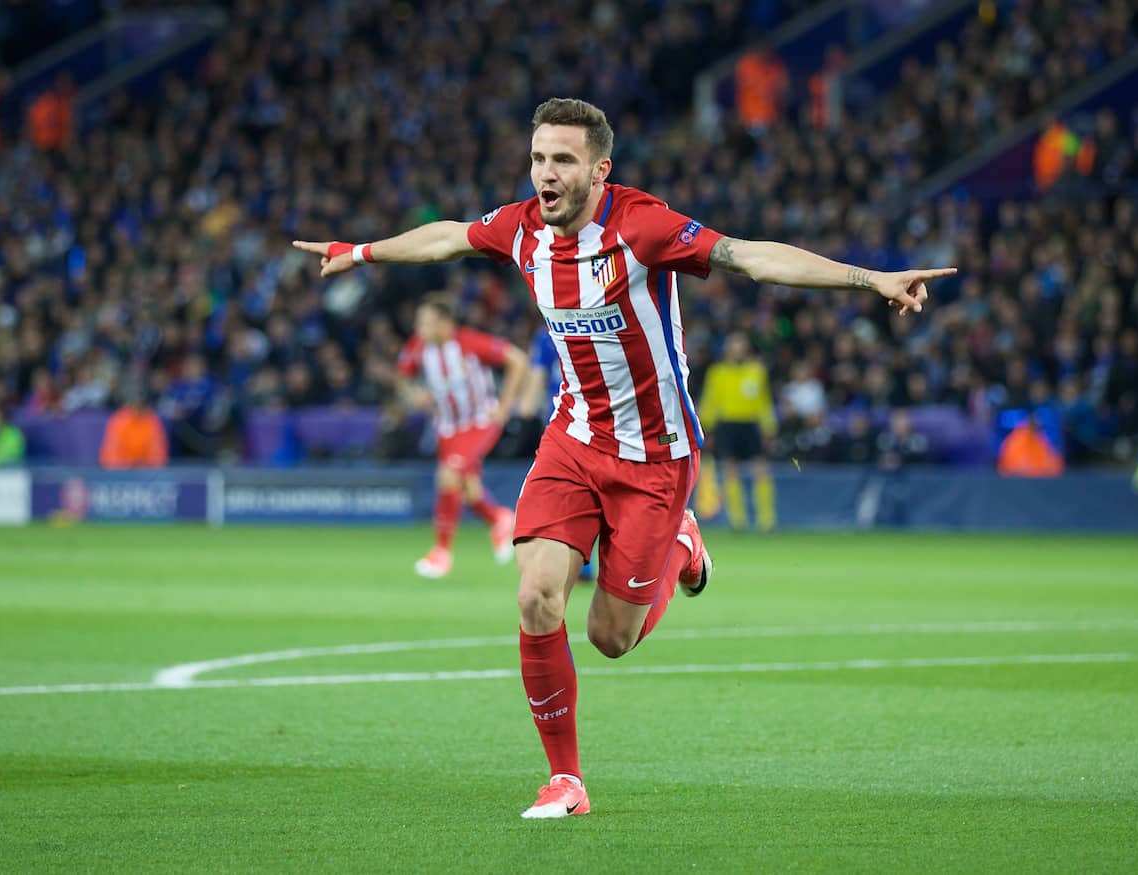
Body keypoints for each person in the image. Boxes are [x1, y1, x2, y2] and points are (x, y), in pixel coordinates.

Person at [294, 97, 954, 819]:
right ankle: (566, 780)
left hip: (656, 457)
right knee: (536, 594)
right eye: (539, 158)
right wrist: (358, 252)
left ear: (599, 170)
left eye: (563, 161)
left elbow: (752, 258)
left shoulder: (642, 226)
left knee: (611, 636)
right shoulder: (519, 230)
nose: (545, 174)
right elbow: (448, 237)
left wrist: (874, 278)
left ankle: (682, 541)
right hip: (572, 439)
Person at [396, 294, 528, 578]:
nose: (420, 328)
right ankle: (500, 518)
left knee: (448, 476)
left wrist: (505, 407)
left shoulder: (469, 342)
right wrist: (413, 395)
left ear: (445, 324)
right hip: (446, 426)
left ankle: (441, 553)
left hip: (479, 422)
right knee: (468, 490)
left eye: (427, 322)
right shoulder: (419, 348)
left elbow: (517, 360)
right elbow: (402, 377)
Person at [518, 327, 595, 580]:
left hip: (564, 422)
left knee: (572, 494)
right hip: (581, 421)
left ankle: (578, 559)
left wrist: (526, 411)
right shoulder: (580, 326)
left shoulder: (550, 332)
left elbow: (537, 375)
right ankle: (583, 562)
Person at [696, 331, 777, 531]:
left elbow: (764, 402)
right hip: (727, 424)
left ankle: (766, 521)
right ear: (727, 349)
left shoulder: (757, 370)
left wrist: (769, 428)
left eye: (741, 345)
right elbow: (710, 401)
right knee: (730, 471)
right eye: (734, 345)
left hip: (751, 424)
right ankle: (738, 521)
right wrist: (707, 427)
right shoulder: (717, 372)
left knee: (761, 470)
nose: (737, 349)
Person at [99, 390, 169, 469]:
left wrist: (148, 467)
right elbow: (111, 452)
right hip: (121, 472)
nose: (138, 408)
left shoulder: (153, 421)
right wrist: (123, 467)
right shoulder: (119, 420)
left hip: (147, 472)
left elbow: (158, 453)